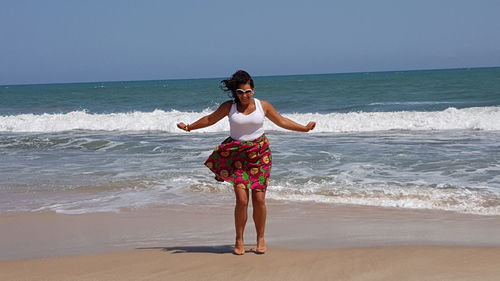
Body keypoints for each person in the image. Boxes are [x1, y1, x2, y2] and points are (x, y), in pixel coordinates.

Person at [177, 70, 316, 255]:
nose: (244, 95)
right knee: (242, 201)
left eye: (248, 91)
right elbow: (210, 119)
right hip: (237, 155)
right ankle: (239, 239)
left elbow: (281, 120)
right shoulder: (229, 106)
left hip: (260, 154)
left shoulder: (263, 106)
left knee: (259, 199)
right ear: (236, 92)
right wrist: (189, 127)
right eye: (240, 92)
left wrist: (304, 128)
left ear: (254, 90)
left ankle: (260, 238)